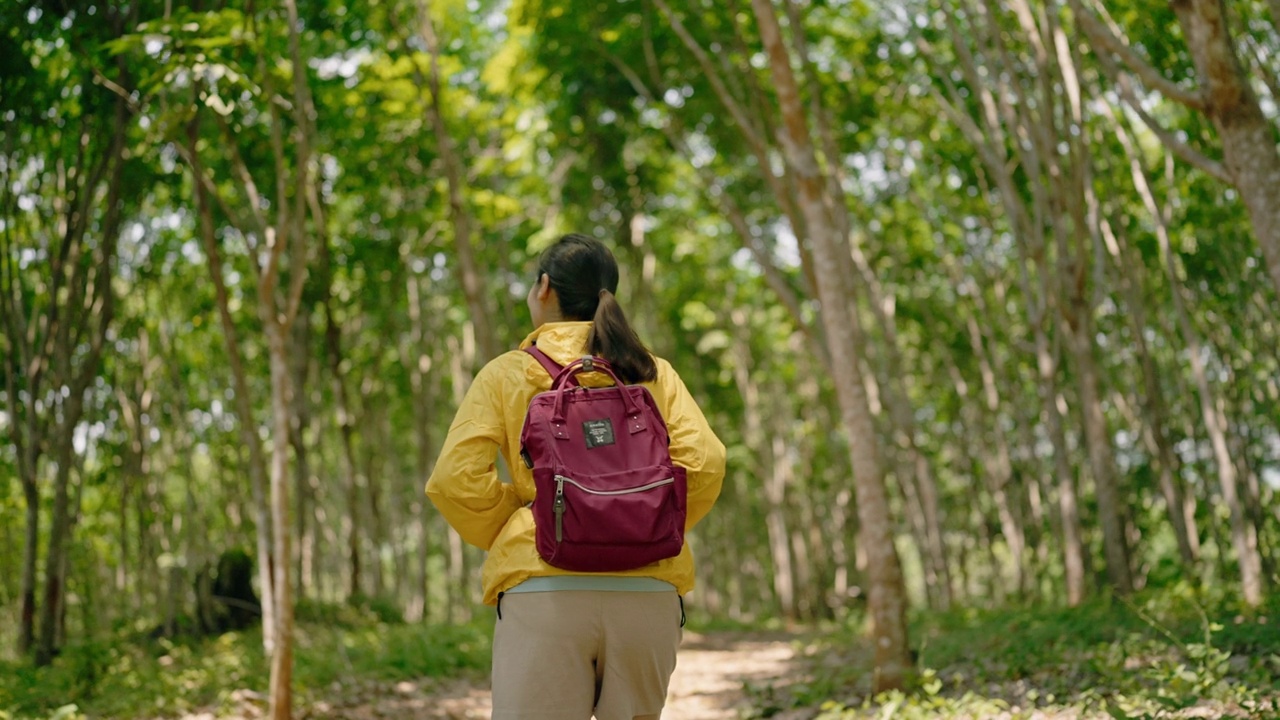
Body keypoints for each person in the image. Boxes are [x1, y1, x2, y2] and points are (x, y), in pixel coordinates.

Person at [426, 234, 726, 720]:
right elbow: (706, 462)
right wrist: (645, 523)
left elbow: (454, 481)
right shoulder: (652, 372)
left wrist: (530, 521)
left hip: (545, 593)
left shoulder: (507, 374)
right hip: (648, 595)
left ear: (544, 287)